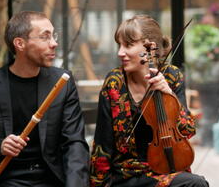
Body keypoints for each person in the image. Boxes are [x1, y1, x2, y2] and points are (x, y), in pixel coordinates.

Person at [0, 11, 89, 187]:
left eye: (53, 35)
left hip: (52, 179)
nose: (54, 43)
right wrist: (0, 146)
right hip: (7, 180)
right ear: (20, 44)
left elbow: (75, 143)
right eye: (45, 37)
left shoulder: (63, 82)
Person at [89, 15, 209, 187]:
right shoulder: (114, 82)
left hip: (167, 170)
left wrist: (168, 92)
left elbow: (188, 130)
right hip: (127, 176)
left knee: (196, 183)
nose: (120, 52)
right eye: (119, 45)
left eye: (128, 45)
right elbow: (102, 143)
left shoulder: (171, 76)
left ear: (149, 47)